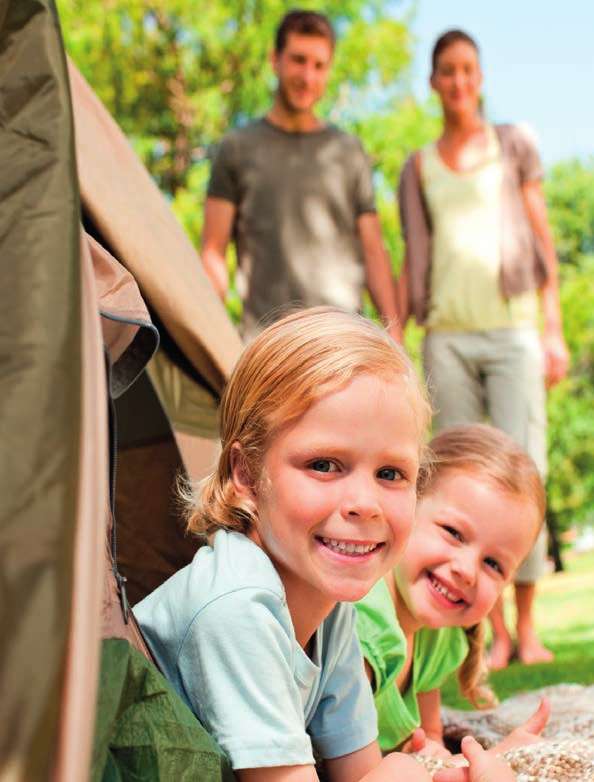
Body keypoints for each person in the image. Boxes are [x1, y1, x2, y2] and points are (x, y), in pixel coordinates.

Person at [134, 307, 528, 781]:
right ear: (246, 474)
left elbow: (358, 771)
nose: (365, 503)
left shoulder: (333, 611)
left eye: (390, 473)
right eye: (324, 465)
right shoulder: (235, 610)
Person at [397, 29, 570, 669]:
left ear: (480, 76)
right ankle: (488, 638)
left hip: (513, 327)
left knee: (527, 470)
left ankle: (526, 630)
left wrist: (553, 325)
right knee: (458, 484)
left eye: (468, 69)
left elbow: (541, 230)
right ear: (435, 82)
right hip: (445, 334)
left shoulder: (513, 143)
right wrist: (397, 332)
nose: (459, 81)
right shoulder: (417, 166)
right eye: (447, 71)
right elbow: (415, 251)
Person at [201, 10, 402, 343]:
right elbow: (213, 252)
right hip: (267, 345)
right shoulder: (236, 147)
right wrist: (207, 335)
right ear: (274, 60)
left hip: (343, 342)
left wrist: (393, 331)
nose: (308, 76)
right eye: (298, 60)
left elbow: (373, 250)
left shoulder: (349, 151)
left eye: (319, 66)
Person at [355, 424, 550, 758]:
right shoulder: (362, 624)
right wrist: (492, 757)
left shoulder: (438, 640)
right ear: (407, 504)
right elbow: (354, 768)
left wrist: (443, 758)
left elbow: (427, 741)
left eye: (493, 564)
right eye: (453, 533)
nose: (466, 570)